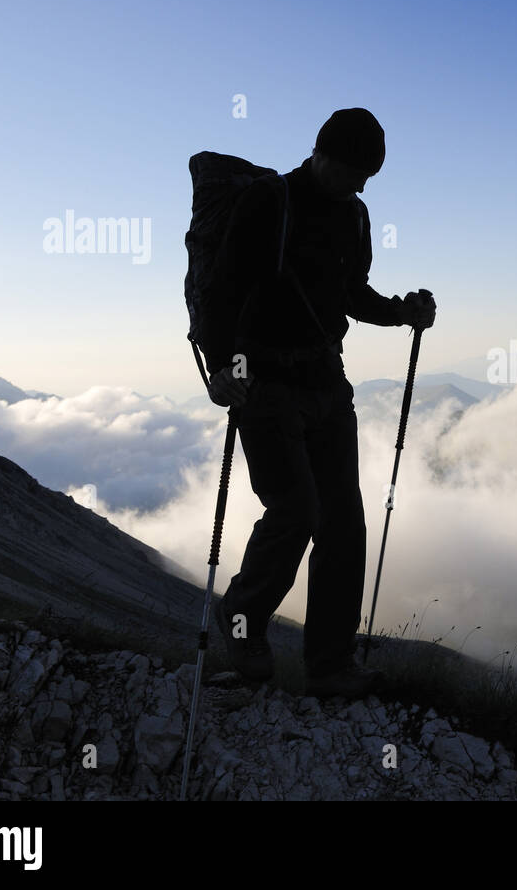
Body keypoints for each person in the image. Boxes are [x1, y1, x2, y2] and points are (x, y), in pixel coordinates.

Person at [202, 108, 435, 698]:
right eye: (355, 171)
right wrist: (223, 368)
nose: (361, 185)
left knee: (344, 524)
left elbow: (350, 295)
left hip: (327, 382)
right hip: (264, 384)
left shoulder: (354, 215)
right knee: (296, 512)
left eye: (369, 177)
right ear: (322, 154)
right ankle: (243, 622)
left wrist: (401, 312)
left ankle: (330, 666)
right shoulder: (268, 202)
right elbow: (222, 293)